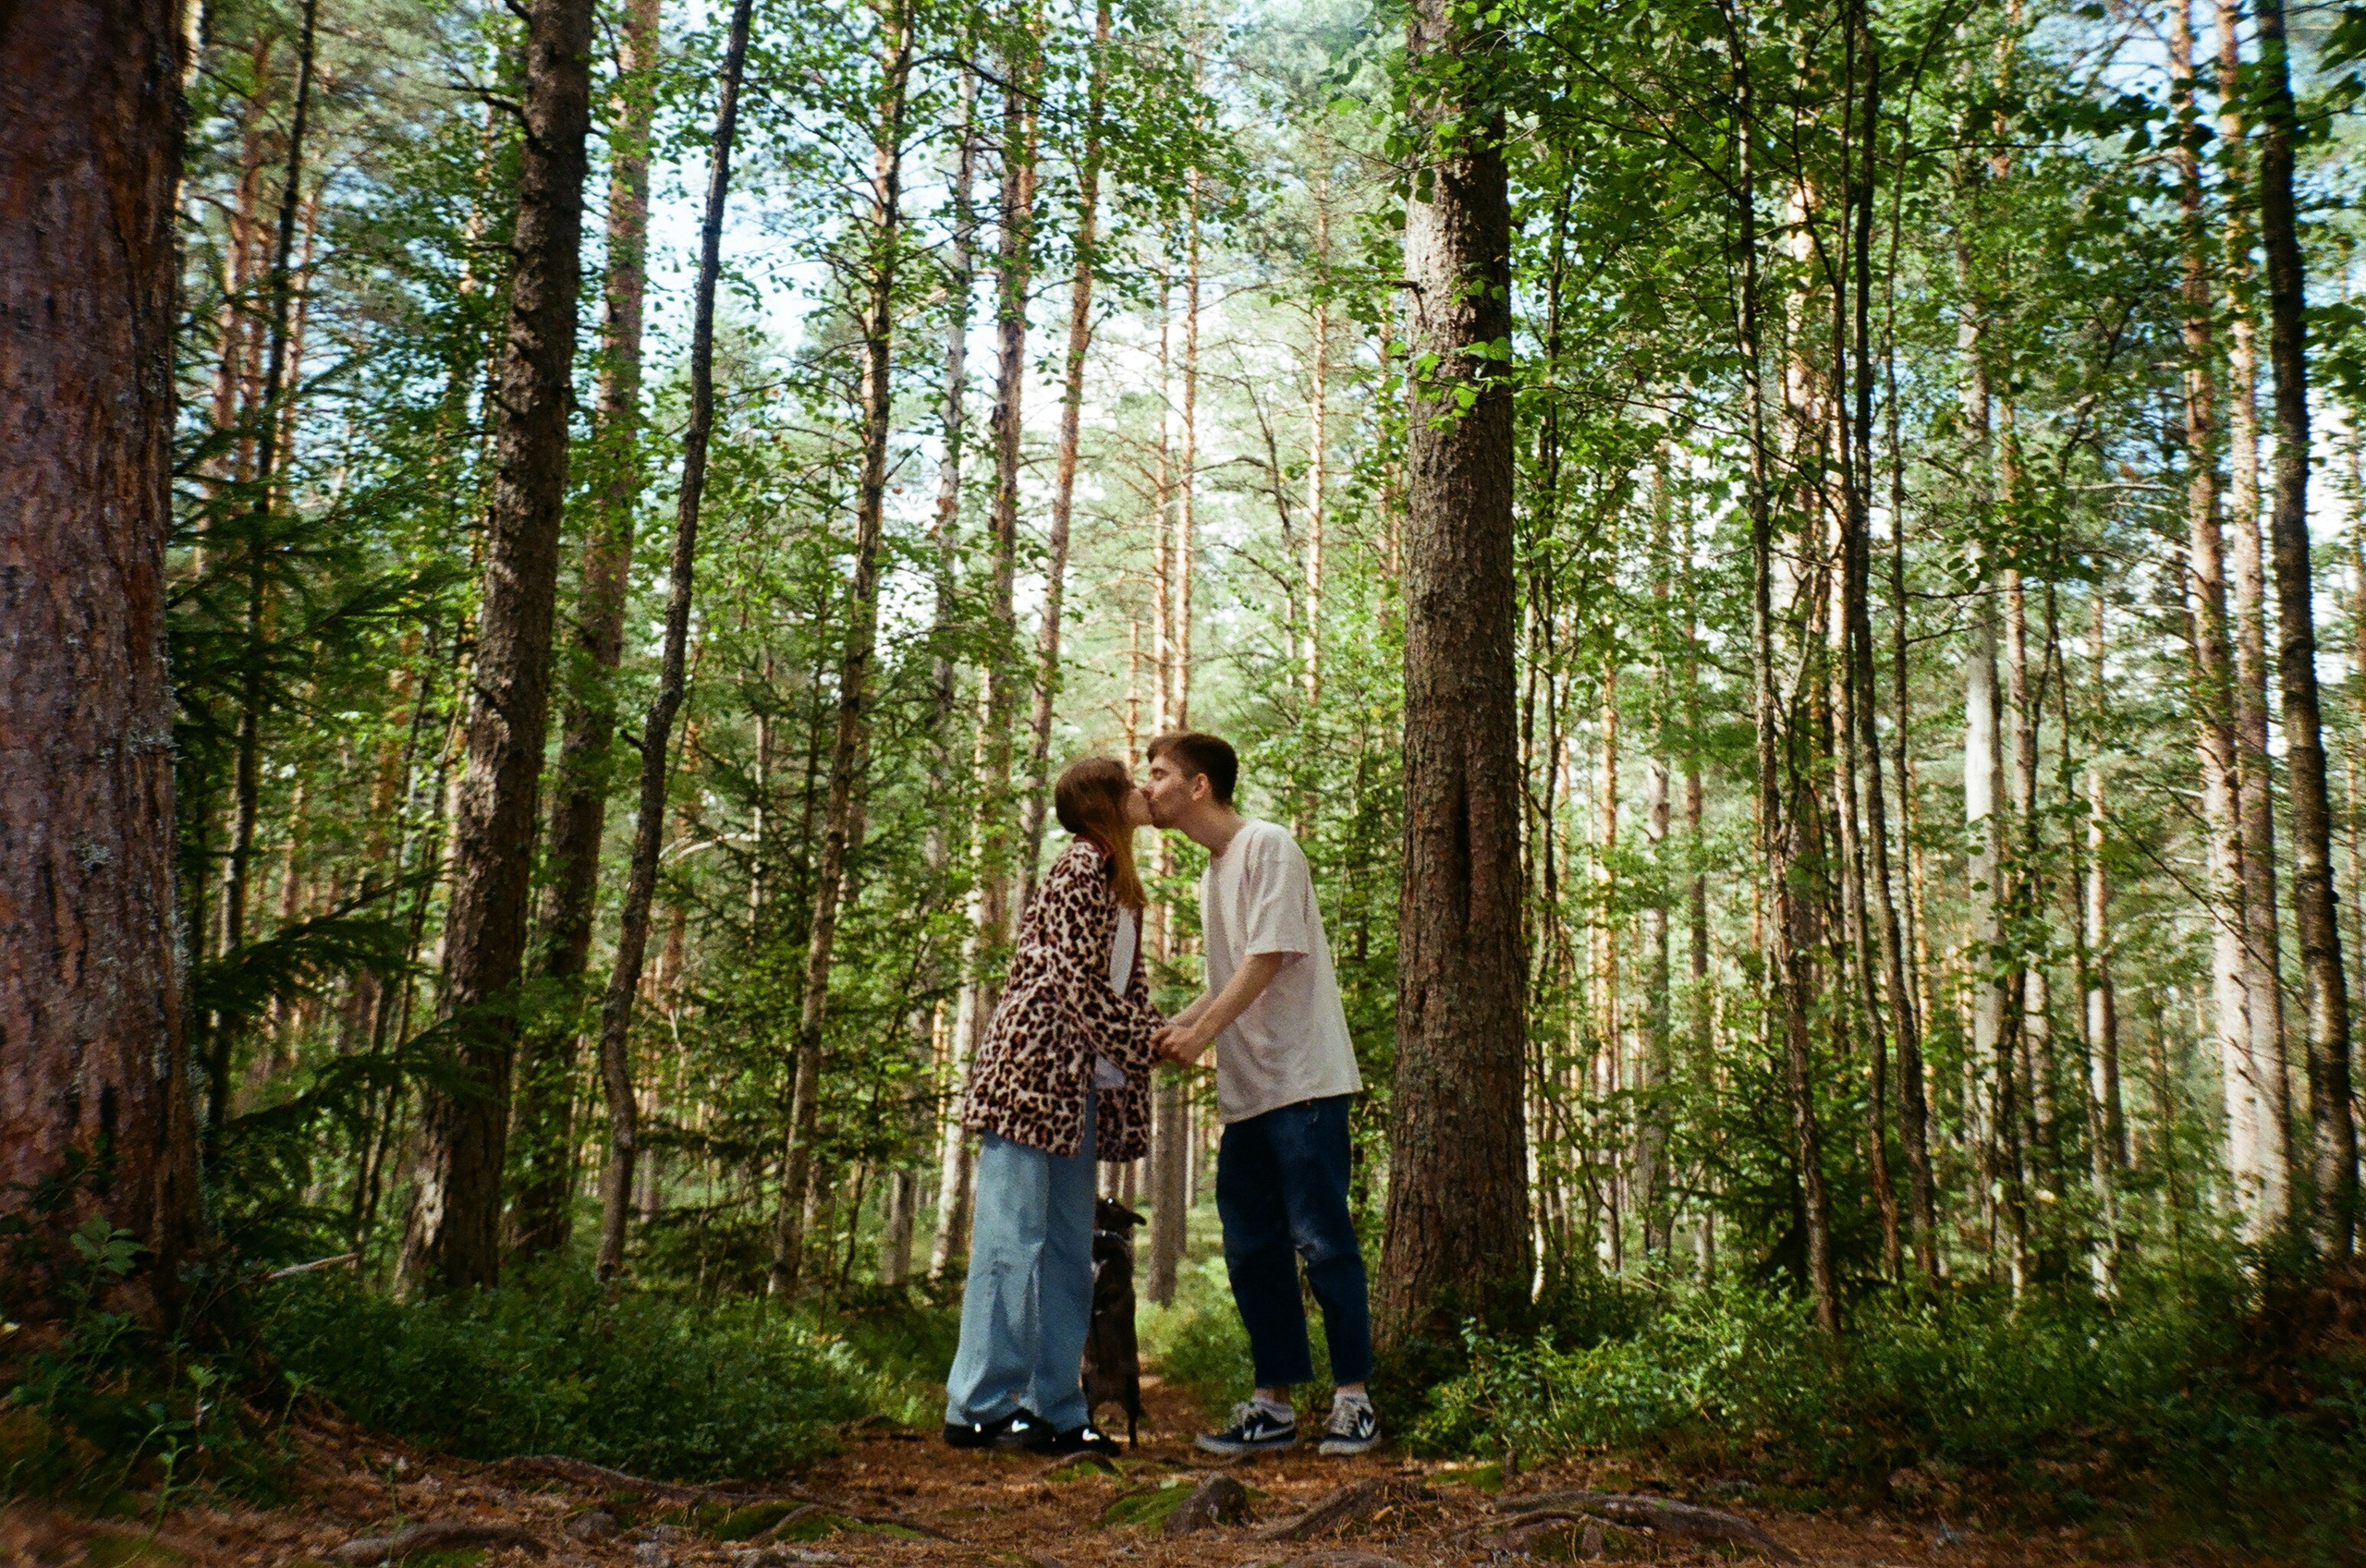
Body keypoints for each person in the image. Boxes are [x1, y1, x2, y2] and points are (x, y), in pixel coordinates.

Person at [1143, 731, 1378, 1457]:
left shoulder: (1268, 845)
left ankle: (1353, 1400)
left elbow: (1272, 956)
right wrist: (1171, 1027)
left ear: (1199, 785)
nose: (1145, 786)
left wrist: (1201, 1036)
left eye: (1157, 774)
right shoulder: (1213, 872)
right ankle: (1272, 1405)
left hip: (1304, 1082)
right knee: (1251, 1250)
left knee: (1323, 1240)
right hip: (1249, 1095)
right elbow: (1230, 977)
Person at [943, 758, 1165, 1457]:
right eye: (1130, 782)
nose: (1140, 791)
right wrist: (1150, 1040)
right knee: (1012, 1240)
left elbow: (1124, 990)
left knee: (1070, 1251)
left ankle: (1056, 1406)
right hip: (1032, 1075)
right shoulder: (1076, 868)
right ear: (1104, 802)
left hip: (1078, 1090)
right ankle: (978, 1405)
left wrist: (1157, 1030)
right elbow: (1073, 983)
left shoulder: (1118, 883)